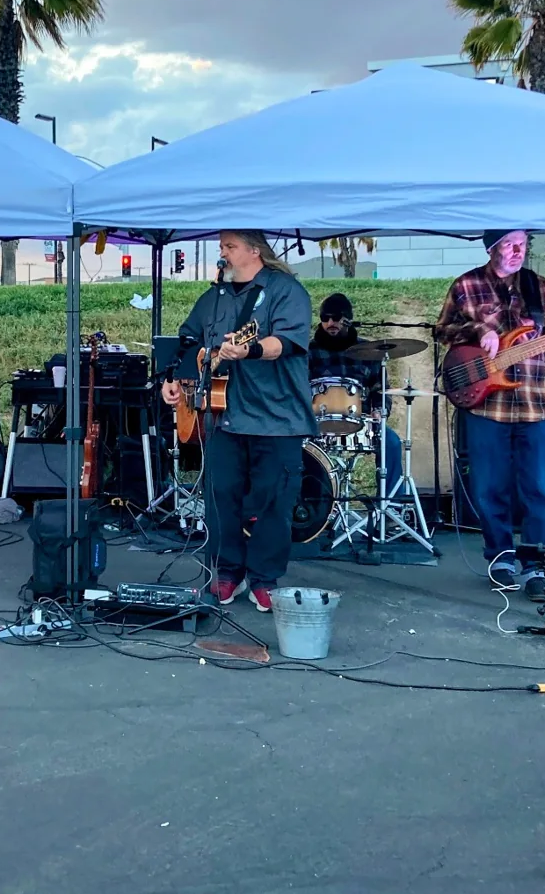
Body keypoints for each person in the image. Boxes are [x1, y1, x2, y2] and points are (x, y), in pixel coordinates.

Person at [162, 231, 313, 612]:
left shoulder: (285, 290)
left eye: (229, 246)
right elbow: (185, 340)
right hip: (222, 416)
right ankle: (227, 572)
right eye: (222, 247)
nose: (223, 253)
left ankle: (264, 577)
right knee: (220, 498)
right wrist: (174, 380)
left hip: (277, 416)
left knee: (273, 502)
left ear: (253, 250)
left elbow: (287, 342)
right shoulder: (214, 297)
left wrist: (252, 348)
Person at [435, 229, 545, 596]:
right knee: (490, 485)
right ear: (492, 248)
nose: (518, 250)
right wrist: (478, 332)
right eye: (509, 243)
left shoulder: (542, 288)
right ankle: (500, 557)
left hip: (538, 402)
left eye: (523, 244)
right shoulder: (466, 285)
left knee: (541, 487)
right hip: (487, 403)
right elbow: (442, 330)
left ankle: (537, 564)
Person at [307, 292, 405, 499]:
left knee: (392, 443)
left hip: (361, 422)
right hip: (316, 424)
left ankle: (391, 508)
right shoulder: (310, 351)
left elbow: (381, 390)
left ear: (348, 319)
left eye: (336, 317)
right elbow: (298, 389)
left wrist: (380, 411)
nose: (330, 323)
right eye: (325, 318)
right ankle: (315, 506)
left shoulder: (369, 350)